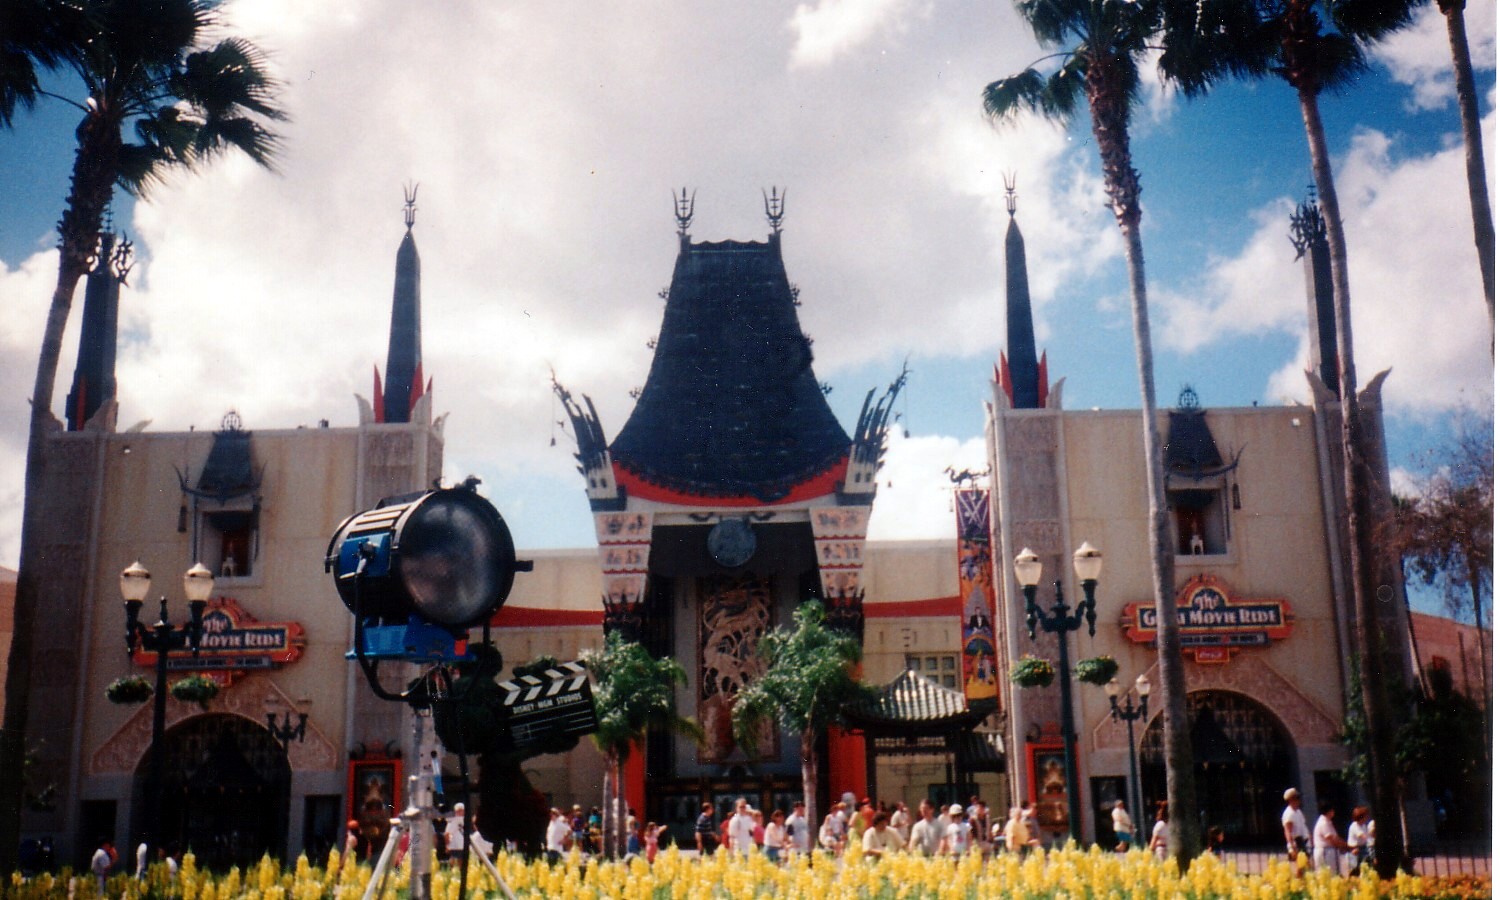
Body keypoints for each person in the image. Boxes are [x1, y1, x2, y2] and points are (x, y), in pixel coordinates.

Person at [1312, 801, 1350, 873]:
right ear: (1329, 811)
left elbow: (1336, 837)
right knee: (1327, 873)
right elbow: (1331, 839)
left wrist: (1345, 845)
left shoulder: (1328, 822)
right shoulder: (1323, 823)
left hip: (1330, 851)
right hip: (1325, 852)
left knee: (1334, 872)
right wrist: (1344, 846)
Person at [1281, 788, 1310, 864]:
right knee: (1302, 866)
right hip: (1297, 843)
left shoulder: (1298, 811)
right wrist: (1293, 847)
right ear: (1290, 800)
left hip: (1303, 842)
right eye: (1296, 798)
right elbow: (1288, 831)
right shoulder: (1288, 813)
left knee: (1305, 867)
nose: (1299, 800)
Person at [1347, 806, 1374, 874]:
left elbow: (1368, 835)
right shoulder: (1355, 826)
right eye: (1366, 816)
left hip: (1363, 848)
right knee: (1357, 869)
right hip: (1355, 850)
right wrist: (1371, 841)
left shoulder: (1363, 825)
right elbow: (1363, 836)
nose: (1367, 817)